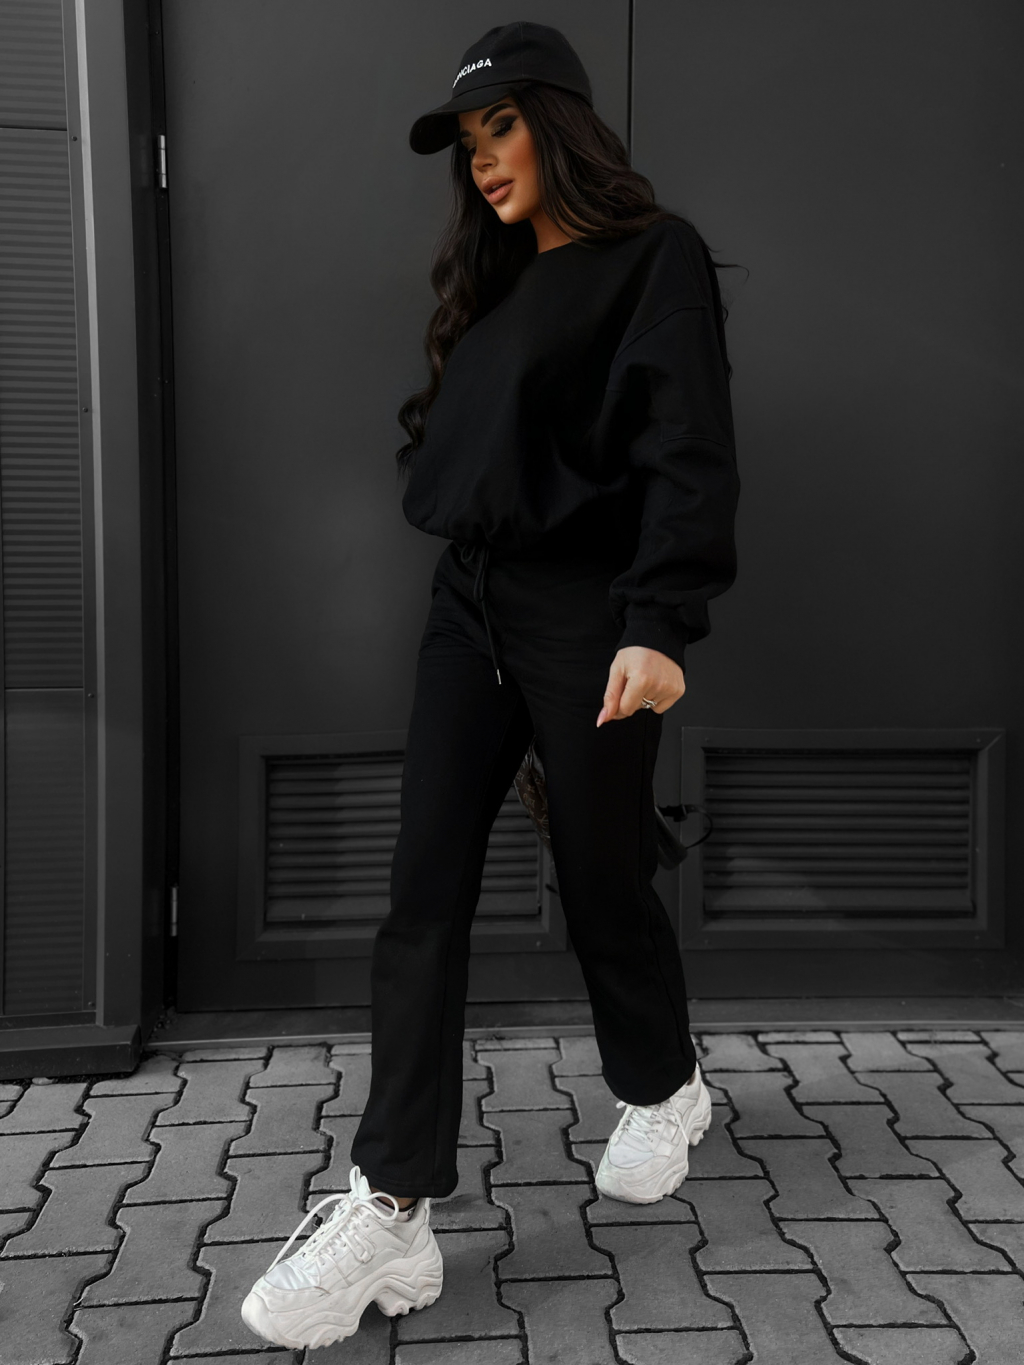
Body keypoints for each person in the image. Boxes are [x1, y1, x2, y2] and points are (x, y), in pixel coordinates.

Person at [242, 21, 739, 1351]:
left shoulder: (656, 258)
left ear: (558, 124)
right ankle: (393, 1202)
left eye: (501, 127)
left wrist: (659, 622)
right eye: (468, 144)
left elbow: (690, 444)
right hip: (469, 604)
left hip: (591, 612)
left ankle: (664, 1082)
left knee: (600, 869)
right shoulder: (500, 280)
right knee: (423, 886)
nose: (483, 161)